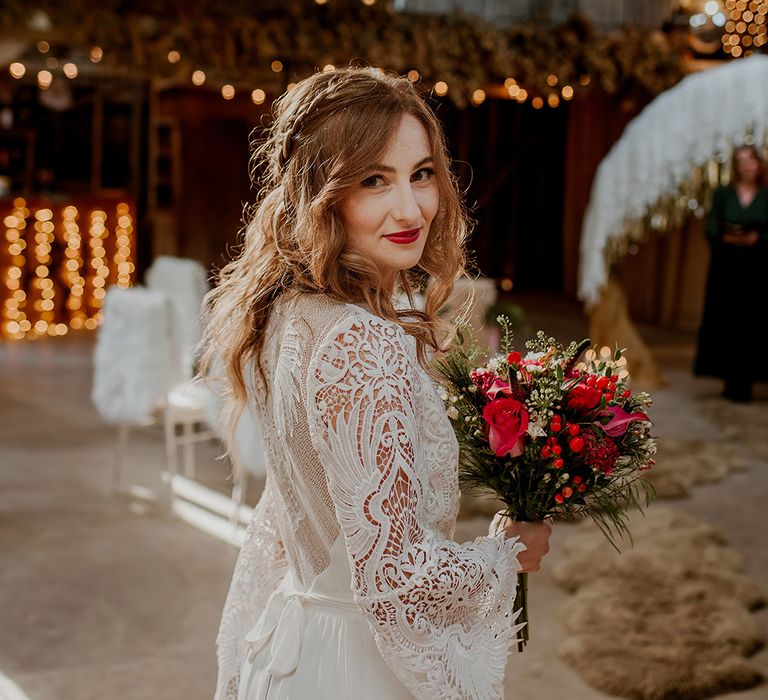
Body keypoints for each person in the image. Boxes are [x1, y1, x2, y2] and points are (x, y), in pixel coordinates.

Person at [201, 67, 552, 700]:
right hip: (358, 670)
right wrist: (504, 555)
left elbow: (288, 517)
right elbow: (394, 576)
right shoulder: (361, 342)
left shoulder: (289, 312)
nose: (411, 208)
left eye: (421, 174)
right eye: (374, 181)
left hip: (297, 646)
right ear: (322, 194)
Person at [694, 145, 768, 402]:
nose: (747, 165)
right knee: (726, 320)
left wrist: (755, 240)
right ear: (736, 166)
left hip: (758, 269)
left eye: (751, 160)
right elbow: (712, 225)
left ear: (758, 164)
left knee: (752, 323)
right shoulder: (724, 193)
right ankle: (727, 378)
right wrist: (728, 239)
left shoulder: (766, 194)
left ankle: (746, 380)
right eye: (741, 161)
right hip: (727, 266)